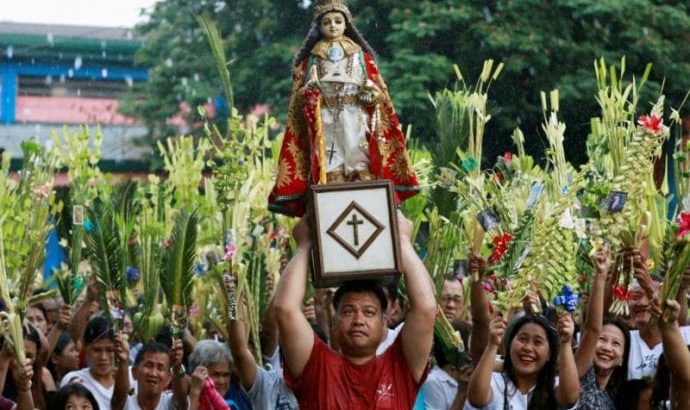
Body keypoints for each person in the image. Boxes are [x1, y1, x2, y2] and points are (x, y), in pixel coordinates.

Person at [268, 0, 418, 217]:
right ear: (318, 27)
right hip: (325, 118)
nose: (332, 26)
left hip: (355, 116)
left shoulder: (361, 57)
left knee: (358, 152)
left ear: (346, 24)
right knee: (330, 156)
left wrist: (371, 95)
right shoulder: (311, 59)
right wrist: (310, 92)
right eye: (326, 22)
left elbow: (379, 92)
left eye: (338, 21)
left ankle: (362, 180)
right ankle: (333, 184)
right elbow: (298, 98)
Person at [273, 211, 436, 409]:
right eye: (349, 311)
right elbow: (285, 309)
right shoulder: (316, 364)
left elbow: (426, 309)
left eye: (369, 312)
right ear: (334, 321)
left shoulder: (400, 365)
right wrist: (305, 245)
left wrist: (403, 242)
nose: (358, 319)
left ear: (384, 321)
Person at [465, 313, 580, 409]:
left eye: (537, 342)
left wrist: (565, 342)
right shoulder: (494, 380)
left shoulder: (554, 385)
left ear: (549, 354)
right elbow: (477, 398)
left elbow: (569, 398)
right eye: (522, 339)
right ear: (510, 345)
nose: (528, 348)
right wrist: (493, 344)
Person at [574, 249, 631, 409]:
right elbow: (592, 328)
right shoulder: (577, 375)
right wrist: (601, 275)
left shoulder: (617, 398)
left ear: (622, 358)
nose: (607, 348)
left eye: (616, 344)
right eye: (602, 339)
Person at [60, 317, 135, 410]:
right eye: (97, 350)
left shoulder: (133, 377)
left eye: (110, 350)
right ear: (86, 349)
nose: (103, 357)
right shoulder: (74, 380)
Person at [111, 338, 188, 410]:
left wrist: (177, 366)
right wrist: (123, 362)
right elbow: (117, 399)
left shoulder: (169, 404)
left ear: (168, 379)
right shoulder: (126, 405)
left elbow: (182, 402)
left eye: (160, 368)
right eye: (148, 365)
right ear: (134, 372)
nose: (153, 373)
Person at [187, 340, 251, 410]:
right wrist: (195, 392)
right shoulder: (186, 399)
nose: (221, 381)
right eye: (216, 374)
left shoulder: (238, 396)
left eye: (226, 375)